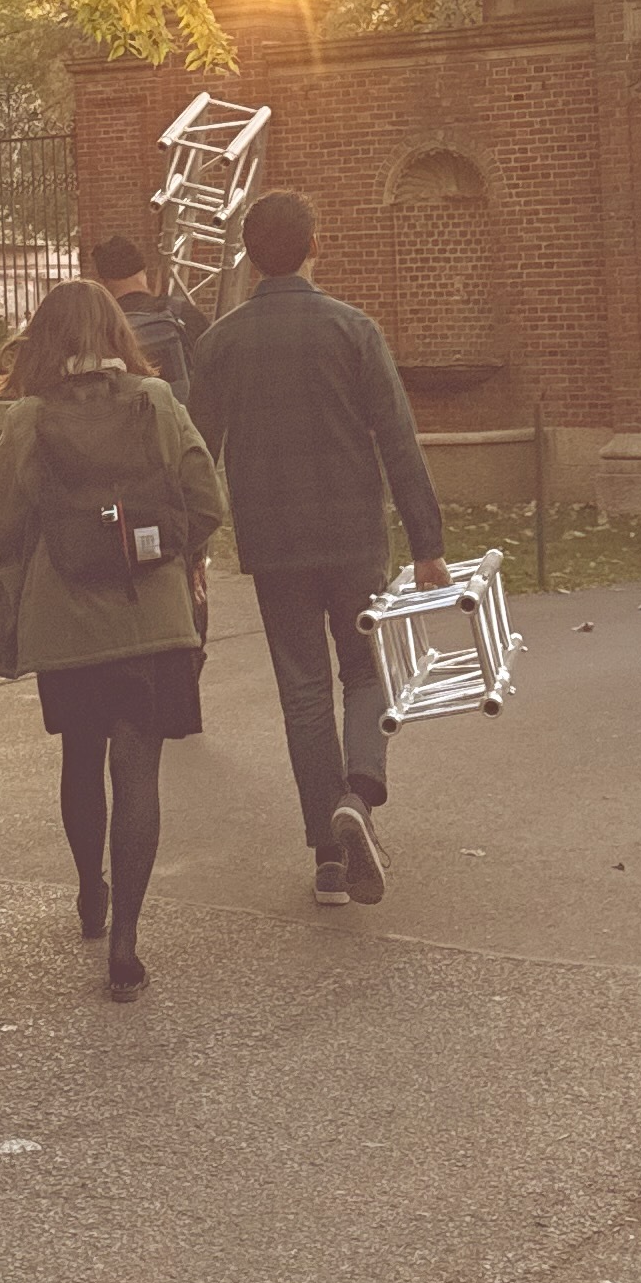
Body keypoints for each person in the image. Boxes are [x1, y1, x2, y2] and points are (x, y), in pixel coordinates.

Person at [0, 280, 225, 1000]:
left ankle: (89, 892)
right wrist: (166, 551)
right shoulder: (158, 403)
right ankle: (128, 945)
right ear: (117, 335)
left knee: (81, 757)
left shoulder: (30, 418)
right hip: (153, 620)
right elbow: (208, 502)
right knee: (138, 771)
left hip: (68, 622)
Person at [188, 189, 448, 908]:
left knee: (302, 692)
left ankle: (329, 857)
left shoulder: (221, 343)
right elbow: (396, 437)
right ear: (315, 246)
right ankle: (359, 797)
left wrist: (191, 547)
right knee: (366, 673)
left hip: (274, 542)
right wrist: (427, 542)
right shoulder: (353, 330)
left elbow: (195, 453)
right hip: (353, 537)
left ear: (247, 255)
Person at [89, 233, 199, 401]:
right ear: (144, 270)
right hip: (179, 419)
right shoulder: (181, 313)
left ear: (103, 281)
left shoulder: (97, 326)